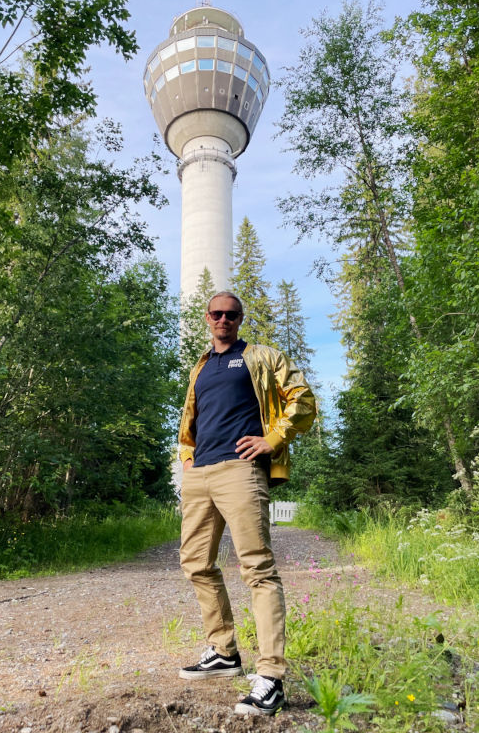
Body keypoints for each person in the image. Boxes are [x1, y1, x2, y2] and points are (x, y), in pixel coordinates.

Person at [177, 290, 316, 716]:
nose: (223, 320)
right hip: (200, 473)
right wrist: (186, 459)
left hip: (240, 469)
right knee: (196, 562)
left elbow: (303, 400)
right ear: (207, 317)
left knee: (257, 567)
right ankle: (223, 651)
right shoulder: (200, 365)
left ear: (240, 319)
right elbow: (190, 417)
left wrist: (271, 440)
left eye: (231, 315)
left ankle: (271, 676)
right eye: (217, 314)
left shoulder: (260, 357)